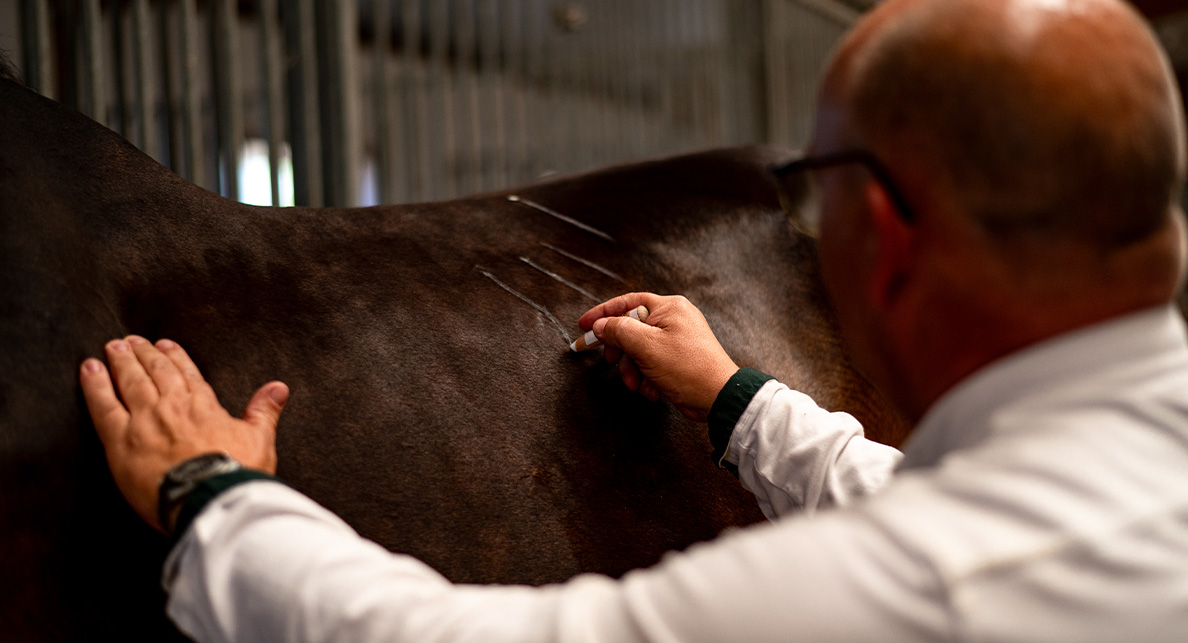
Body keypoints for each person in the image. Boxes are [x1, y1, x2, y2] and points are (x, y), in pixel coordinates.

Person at [80, 0, 1188, 639]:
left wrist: (215, 499)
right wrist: (740, 398)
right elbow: (922, 497)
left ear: (888, 234)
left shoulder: (953, 584)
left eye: (822, 186)